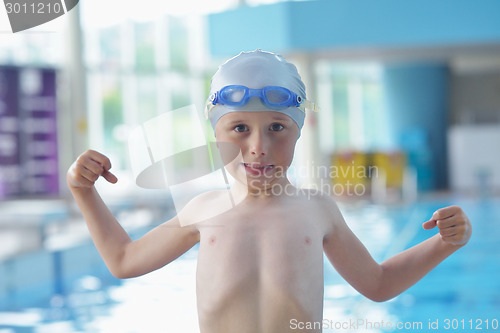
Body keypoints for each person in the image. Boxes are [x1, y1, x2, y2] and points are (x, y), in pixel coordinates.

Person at [67, 50, 472, 333]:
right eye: (240, 128)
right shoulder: (203, 209)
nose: (258, 146)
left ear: (299, 132)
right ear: (216, 134)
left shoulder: (318, 210)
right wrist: (84, 192)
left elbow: (378, 285)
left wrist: (443, 244)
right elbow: (123, 260)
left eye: (277, 127)